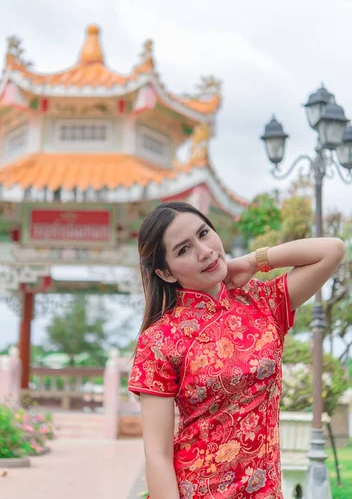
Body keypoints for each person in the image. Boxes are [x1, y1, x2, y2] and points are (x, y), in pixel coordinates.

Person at [128, 201, 345, 499]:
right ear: (165, 273)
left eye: (204, 233)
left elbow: (332, 250)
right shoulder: (160, 339)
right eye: (183, 249)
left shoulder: (262, 302)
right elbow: (157, 454)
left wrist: (252, 262)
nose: (204, 251)